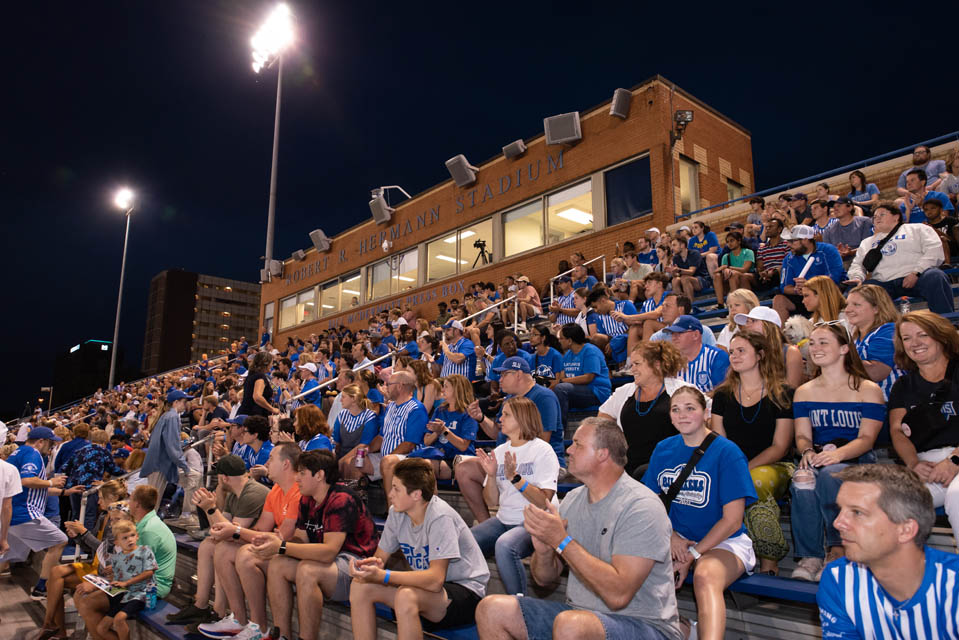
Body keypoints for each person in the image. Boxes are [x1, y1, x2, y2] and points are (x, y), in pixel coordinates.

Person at [476, 418, 682, 640]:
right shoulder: (573, 500)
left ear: (603, 454)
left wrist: (562, 541)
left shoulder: (641, 506)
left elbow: (618, 594)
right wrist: (545, 551)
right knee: (491, 609)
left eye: (578, 444)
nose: (569, 450)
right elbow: (544, 579)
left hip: (644, 625)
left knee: (572, 625)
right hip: (579, 616)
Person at [644, 387, 757, 640]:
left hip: (724, 542)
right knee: (634, 565)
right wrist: (671, 536)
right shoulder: (663, 449)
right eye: (676, 409)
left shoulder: (727, 452)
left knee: (705, 575)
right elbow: (648, 505)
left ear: (706, 412)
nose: (682, 415)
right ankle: (685, 630)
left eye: (690, 408)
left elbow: (732, 520)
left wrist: (692, 554)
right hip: (677, 540)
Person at [349, 459, 489, 638]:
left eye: (396, 489)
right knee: (360, 586)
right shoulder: (396, 512)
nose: (390, 495)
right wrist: (369, 568)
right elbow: (380, 559)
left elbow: (435, 580)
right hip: (428, 591)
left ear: (416, 494)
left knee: (406, 596)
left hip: (465, 591)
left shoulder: (440, 517)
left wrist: (384, 576)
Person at [789, 323, 885, 582]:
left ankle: (837, 547)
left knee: (832, 473)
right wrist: (807, 451)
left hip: (858, 459)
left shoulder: (867, 389)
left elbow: (866, 439)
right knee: (802, 479)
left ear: (844, 348)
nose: (816, 348)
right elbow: (802, 435)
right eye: (813, 343)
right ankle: (809, 556)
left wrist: (838, 454)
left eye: (824, 343)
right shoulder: (804, 391)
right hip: (820, 456)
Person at [817, 464, 958, 638]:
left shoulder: (953, 585)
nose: (837, 523)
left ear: (905, 530)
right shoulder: (838, 578)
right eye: (840, 510)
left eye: (857, 512)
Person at [250, 450, 378, 640]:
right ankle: (282, 635)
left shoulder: (341, 499)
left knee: (308, 570)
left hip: (356, 564)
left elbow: (328, 552)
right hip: (329, 562)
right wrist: (278, 542)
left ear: (319, 475)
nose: (297, 478)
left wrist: (282, 547)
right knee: (278, 563)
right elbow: (301, 540)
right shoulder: (306, 499)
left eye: (302, 473)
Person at [711, 332, 795, 575]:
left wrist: (743, 470)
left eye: (741, 350)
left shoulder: (783, 393)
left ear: (760, 355)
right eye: (732, 351)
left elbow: (780, 446)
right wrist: (735, 469)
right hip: (731, 465)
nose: (734, 356)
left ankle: (770, 560)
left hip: (776, 465)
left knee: (754, 482)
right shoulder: (723, 395)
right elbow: (719, 439)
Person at [470, 397, 559, 596]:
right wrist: (491, 476)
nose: (500, 418)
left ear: (522, 418)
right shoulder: (500, 451)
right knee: (467, 539)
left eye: (506, 414)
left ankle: (518, 605)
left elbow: (544, 502)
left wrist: (516, 478)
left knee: (505, 545)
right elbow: (491, 501)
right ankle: (471, 593)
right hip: (505, 519)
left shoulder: (543, 451)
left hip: (535, 521)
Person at [461, 357, 564, 522]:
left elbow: (543, 438)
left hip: (538, 462)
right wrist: (481, 418)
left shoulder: (544, 396)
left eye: (503, 375)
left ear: (518, 374)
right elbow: (499, 434)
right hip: (507, 458)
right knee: (464, 469)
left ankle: (522, 525)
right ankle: (487, 524)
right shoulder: (509, 400)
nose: (499, 380)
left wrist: (510, 460)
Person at [889, 310, 959, 547]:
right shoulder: (904, 385)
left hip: (956, 457)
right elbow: (897, 431)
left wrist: (954, 461)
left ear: (940, 336)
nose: (914, 343)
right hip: (926, 464)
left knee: (957, 495)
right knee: (893, 503)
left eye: (922, 335)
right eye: (906, 338)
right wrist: (913, 464)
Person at [75, 486, 176, 637]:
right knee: (81, 595)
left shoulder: (148, 529)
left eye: (132, 498)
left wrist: (101, 583)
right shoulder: (145, 524)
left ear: (136, 504)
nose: (129, 501)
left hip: (152, 586)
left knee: (87, 602)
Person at [194, 455, 271, 639]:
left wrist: (211, 509)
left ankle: (239, 619)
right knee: (207, 545)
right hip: (244, 541)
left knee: (222, 548)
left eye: (219, 478)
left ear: (224, 477)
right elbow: (220, 529)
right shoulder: (235, 494)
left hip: (256, 544)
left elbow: (231, 531)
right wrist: (210, 508)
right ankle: (204, 606)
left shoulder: (253, 492)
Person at [598, 341, 692, 479]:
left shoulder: (682, 390)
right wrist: (615, 441)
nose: (632, 369)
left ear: (656, 365)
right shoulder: (625, 392)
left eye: (637, 364)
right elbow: (602, 415)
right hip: (628, 470)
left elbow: (707, 414)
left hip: (671, 470)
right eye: (631, 365)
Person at [845, 200, 955, 314]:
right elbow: (857, 264)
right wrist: (857, 277)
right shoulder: (867, 242)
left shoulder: (918, 229)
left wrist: (916, 272)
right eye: (875, 217)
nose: (877, 218)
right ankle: (883, 329)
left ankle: (946, 323)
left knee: (935, 276)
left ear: (896, 217)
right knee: (865, 290)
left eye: (882, 214)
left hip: (916, 277)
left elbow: (934, 251)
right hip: (883, 283)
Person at [1, 427, 71, 600]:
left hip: (13, 514)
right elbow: (26, 481)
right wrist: (50, 481)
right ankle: (41, 588)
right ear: (41, 441)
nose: (52, 447)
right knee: (60, 541)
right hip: (25, 513)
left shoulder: (17, 453)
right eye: (50, 443)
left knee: (4, 557)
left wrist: (64, 492)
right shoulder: (33, 453)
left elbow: (35, 490)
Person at [84, 519, 158, 640]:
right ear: (117, 542)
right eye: (124, 538)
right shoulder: (116, 558)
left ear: (137, 536)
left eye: (132, 535)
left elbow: (149, 572)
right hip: (123, 594)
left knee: (119, 619)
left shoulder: (145, 551)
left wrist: (127, 582)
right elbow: (118, 580)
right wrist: (109, 578)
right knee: (101, 629)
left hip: (141, 593)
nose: (130, 539)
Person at [371, 371, 429, 504]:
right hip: (386, 456)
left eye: (389, 384)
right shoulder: (390, 406)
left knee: (387, 462)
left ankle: (392, 512)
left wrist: (387, 457)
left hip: (409, 458)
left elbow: (409, 444)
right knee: (353, 463)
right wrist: (366, 449)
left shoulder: (416, 409)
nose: (386, 387)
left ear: (400, 386)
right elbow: (382, 436)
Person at [772, 225, 845, 324]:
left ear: (805, 239)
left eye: (792, 241)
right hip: (802, 295)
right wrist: (796, 290)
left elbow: (833, 279)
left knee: (820, 293)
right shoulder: (789, 259)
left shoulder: (828, 251)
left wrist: (809, 285)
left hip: (826, 291)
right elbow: (785, 287)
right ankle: (782, 337)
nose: (788, 245)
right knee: (779, 299)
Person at [410, 375, 477, 480]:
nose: (442, 389)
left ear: (457, 390)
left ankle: (431, 495)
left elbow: (463, 446)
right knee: (414, 466)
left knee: (424, 467)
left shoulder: (468, 414)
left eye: (446, 386)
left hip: (457, 459)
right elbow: (427, 441)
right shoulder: (440, 410)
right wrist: (437, 432)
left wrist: (444, 431)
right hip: (437, 456)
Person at [62, 429, 128, 532]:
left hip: (74, 488)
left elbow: (65, 467)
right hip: (90, 487)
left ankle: (73, 542)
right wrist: (126, 473)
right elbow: (113, 469)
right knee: (89, 516)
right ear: (104, 441)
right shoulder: (103, 451)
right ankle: (86, 544)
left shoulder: (79, 450)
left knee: (76, 515)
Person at [846, 284, 903, 401]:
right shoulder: (856, 338)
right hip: (866, 403)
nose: (848, 310)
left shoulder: (888, 330)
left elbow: (877, 372)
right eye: (847, 305)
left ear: (876, 308)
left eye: (856, 305)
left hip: (890, 403)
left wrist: (837, 360)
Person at [140, 389, 193, 510]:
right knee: (152, 505)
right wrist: (185, 466)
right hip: (159, 465)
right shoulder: (172, 416)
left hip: (157, 464)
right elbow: (172, 447)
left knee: (152, 503)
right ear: (176, 402)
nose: (186, 405)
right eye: (184, 402)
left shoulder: (166, 416)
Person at [734, 305, 807, 389]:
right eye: (747, 321)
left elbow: (791, 390)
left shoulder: (790, 352)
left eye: (753, 321)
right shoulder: (744, 353)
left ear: (768, 325)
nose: (747, 325)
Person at [555, 323, 612, 426]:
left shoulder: (590, 351)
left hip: (596, 391)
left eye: (561, 338)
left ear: (570, 340)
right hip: (578, 390)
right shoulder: (568, 354)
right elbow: (563, 376)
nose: (559, 341)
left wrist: (561, 381)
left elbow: (588, 378)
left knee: (561, 388)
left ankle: (559, 430)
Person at [662, 315, 729, 393]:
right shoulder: (669, 361)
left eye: (679, 333)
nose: (674, 337)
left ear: (696, 335)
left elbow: (722, 393)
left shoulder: (716, 357)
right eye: (672, 333)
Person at [822, 196, 873, 264]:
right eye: (834, 207)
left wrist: (851, 252)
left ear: (850, 207)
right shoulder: (828, 231)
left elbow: (869, 245)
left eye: (839, 206)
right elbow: (828, 253)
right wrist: (837, 253)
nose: (835, 209)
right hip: (841, 264)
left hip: (864, 260)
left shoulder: (864, 222)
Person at [712, 231, 755, 307]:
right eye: (727, 242)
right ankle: (720, 304)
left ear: (739, 241)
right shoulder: (726, 256)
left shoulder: (748, 252)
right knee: (717, 276)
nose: (729, 243)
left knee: (733, 274)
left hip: (747, 278)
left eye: (732, 240)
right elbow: (717, 271)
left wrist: (728, 267)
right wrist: (723, 270)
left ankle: (734, 302)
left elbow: (745, 269)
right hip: (731, 280)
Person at [238, 352, 279, 417]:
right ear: (266, 364)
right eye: (271, 363)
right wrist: (272, 409)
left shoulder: (252, 375)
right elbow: (257, 397)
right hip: (254, 416)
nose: (272, 365)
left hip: (246, 413)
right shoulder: (260, 376)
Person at [667, 237, 709, 301]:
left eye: (674, 245)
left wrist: (678, 270)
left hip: (701, 279)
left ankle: (690, 306)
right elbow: (677, 275)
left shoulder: (694, 253)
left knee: (685, 278)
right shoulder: (675, 258)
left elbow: (691, 271)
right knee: (675, 280)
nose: (672, 248)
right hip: (685, 281)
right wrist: (673, 272)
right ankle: (680, 304)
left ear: (682, 245)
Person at [528, 323, 564, 387]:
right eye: (530, 334)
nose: (531, 337)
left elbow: (558, 381)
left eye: (534, 334)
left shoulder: (555, 355)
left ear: (543, 337)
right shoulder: (532, 358)